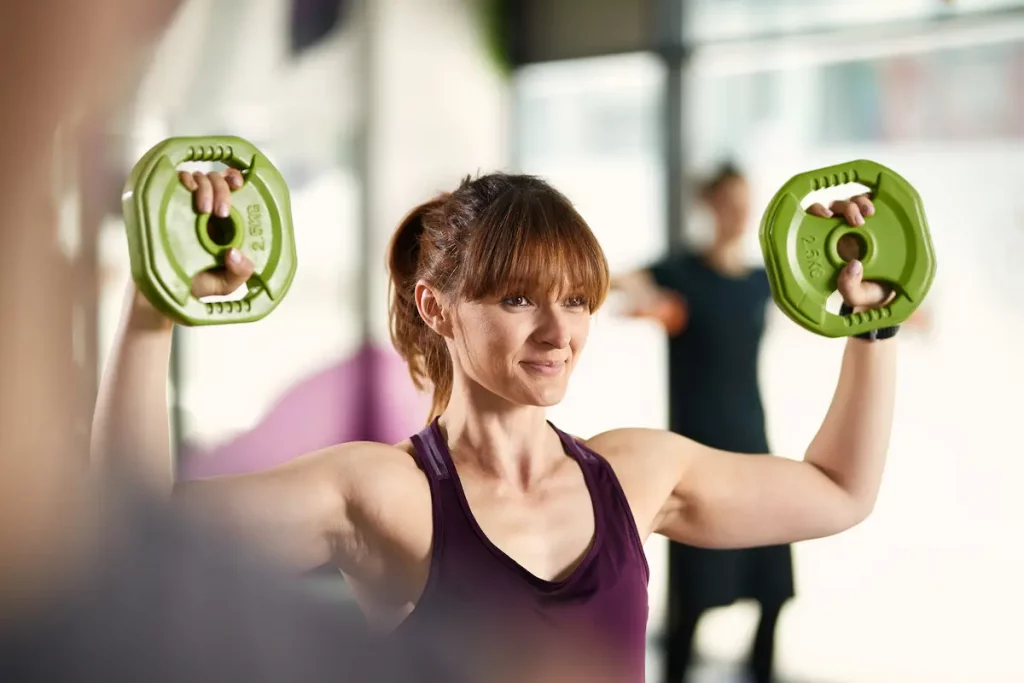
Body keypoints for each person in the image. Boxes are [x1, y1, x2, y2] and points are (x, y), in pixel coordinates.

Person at [93, 164, 902, 681]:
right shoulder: (382, 494)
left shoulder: (638, 474)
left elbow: (839, 490)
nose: (559, 332)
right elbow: (122, 539)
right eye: (518, 299)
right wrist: (151, 314)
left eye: (577, 299)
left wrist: (871, 324)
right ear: (436, 307)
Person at [613, 162, 790, 683]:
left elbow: (826, 295)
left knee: (772, 585)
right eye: (729, 202)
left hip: (753, 440)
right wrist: (646, 300)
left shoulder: (762, 281)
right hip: (695, 449)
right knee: (695, 591)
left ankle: (762, 672)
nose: (739, 213)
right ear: (709, 206)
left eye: (745, 201)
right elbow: (619, 283)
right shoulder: (681, 273)